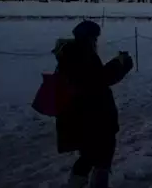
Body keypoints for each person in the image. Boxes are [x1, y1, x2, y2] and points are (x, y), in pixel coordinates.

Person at [55, 20, 133, 188]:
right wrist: (120, 64)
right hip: (93, 116)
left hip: (83, 115)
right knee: (101, 155)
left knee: (90, 155)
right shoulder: (82, 54)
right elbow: (98, 80)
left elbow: (95, 78)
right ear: (88, 37)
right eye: (95, 38)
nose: (96, 42)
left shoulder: (71, 54)